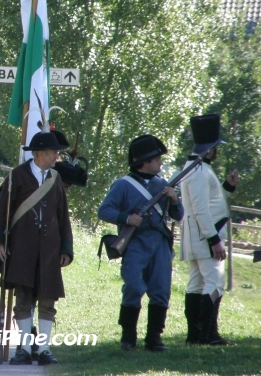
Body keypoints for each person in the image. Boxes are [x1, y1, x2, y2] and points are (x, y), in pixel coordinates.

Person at [0, 130, 73, 366]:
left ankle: (44, 348)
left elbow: (62, 216)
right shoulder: (17, 176)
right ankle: (25, 348)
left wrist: (66, 248)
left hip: (49, 249)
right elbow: (3, 211)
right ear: (40, 153)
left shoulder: (55, 178)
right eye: (53, 153)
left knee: (48, 299)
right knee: (24, 298)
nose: (56, 156)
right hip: (22, 246)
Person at [98, 135, 184, 352]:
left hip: (160, 244)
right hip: (135, 243)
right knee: (134, 287)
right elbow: (105, 210)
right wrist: (126, 218)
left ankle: (154, 337)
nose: (161, 163)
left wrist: (174, 200)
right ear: (144, 162)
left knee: (161, 290)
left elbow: (178, 215)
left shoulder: (163, 185)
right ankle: (128, 336)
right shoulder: (122, 185)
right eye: (157, 160)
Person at [180, 114, 238, 346]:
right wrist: (214, 240)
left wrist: (227, 187)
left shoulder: (197, 169)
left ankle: (195, 335)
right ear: (209, 148)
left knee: (196, 284)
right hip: (205, 236)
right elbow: (201, 210)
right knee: (214, 283)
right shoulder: (199, 172)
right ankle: (207, 334)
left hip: (197, 235)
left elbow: (209, 202)